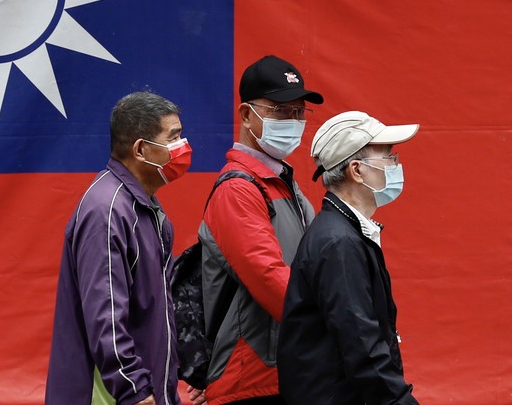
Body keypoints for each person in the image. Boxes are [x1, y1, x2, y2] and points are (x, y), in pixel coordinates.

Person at [46, 91, 194, 405]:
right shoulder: (108, 210)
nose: (184, 148)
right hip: (118, 396)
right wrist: (134, 388)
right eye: (174, 137)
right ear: (141, 149)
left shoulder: (145, 207)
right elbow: (106, 315)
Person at [198, 55, 324, 405]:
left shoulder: (284, 185)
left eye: (299, 112)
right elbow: (269, 279)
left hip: (286, 371)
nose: (294, 121)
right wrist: (336, 325)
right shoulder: (238, 189)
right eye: (281, 110)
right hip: (250, 378)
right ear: (246, 115)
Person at [278, 111, 421, 405]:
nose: (396, 165)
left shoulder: (344, 232)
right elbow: (362, 345)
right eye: (388, 157)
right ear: (356, 170)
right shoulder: (338, 242)